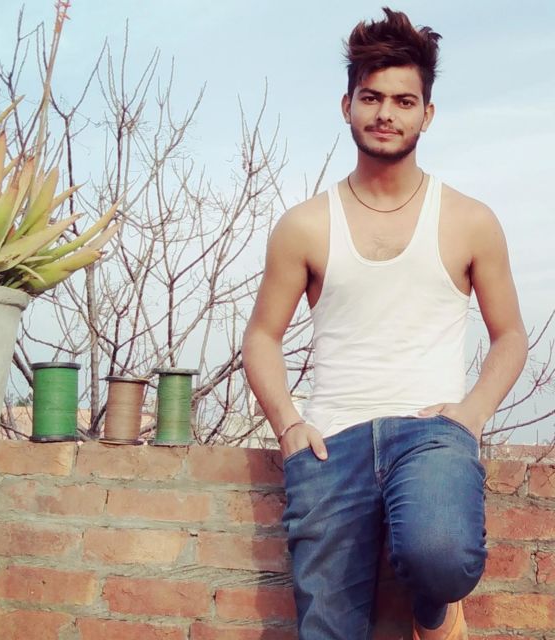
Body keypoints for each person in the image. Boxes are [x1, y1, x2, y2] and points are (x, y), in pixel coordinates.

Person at [242, 7, 528, 640]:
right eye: (371, 98)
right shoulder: (305, 225)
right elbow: (261, 336)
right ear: (347, 106)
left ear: (428, 114)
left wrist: (471, 415)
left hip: (431, 435)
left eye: (404, 101)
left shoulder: (469, 220)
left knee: (441, 556)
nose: (385, 114)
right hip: (329, 441)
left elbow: (510, 335)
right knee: (327, 629)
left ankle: (435, 611)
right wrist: (288, 426)